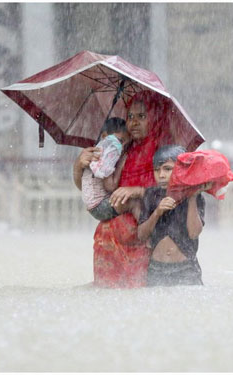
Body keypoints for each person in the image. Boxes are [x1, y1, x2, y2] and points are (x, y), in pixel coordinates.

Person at [73, 91, 174, 288]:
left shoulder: (163, 150)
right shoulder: (119, 148)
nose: (134, 122)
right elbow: (92, 190)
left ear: (155, 119)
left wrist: (137, 191)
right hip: (109, 241)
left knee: (139, 300)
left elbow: (173, 192)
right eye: (130, 117)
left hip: (143, 240)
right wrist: (79, 166)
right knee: (108, 303)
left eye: (142, 117)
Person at [137, 145, 212, 286]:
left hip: (186, 269)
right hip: (156, 268)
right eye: (156, 170)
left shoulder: (195, 195)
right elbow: (141, 235)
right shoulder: (151, 195)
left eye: (167, 169)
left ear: (181, 170)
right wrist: (157, 212)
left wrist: (192, 198)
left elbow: (194, 233)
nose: (161, 175)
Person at [81, 117, 133, 221]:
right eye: (120, 141)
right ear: (104, 136)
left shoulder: (97, 151)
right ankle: (144, 227)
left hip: (94, 206)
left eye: (126, 145)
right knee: (135, 203)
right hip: (100, 206)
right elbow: (111, 186)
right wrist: (121, 165)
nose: (121, 147)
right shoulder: (106, 156)